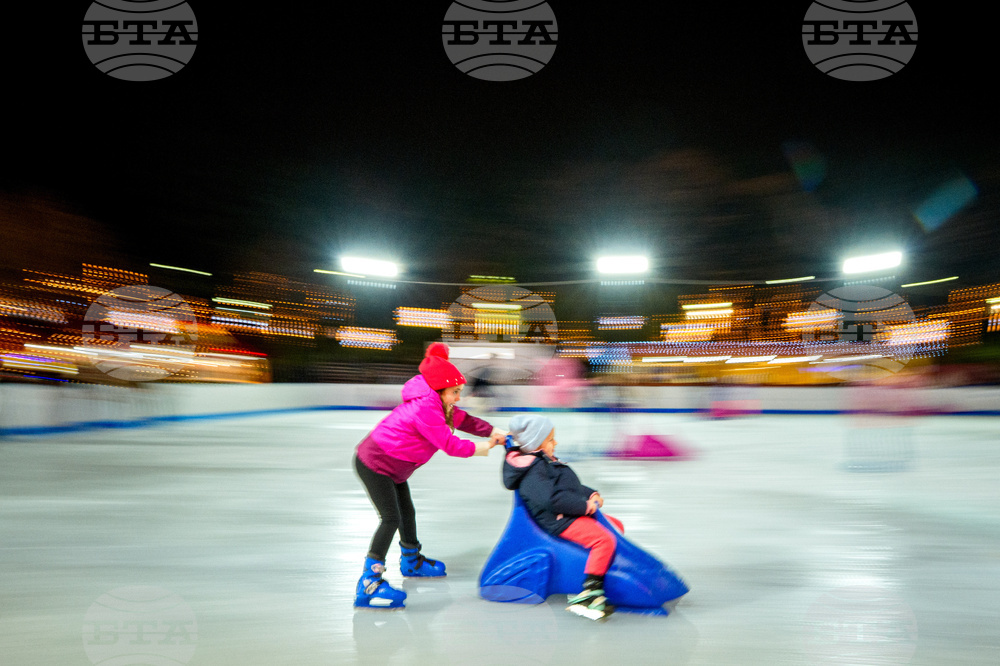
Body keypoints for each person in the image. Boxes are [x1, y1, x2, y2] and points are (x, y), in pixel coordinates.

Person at [353, 342, 507, 609]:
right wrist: (484, 448)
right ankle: (369, 582)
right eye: (456, 392)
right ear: (441, 389)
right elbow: (449, 444)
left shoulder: (439, 402)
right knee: (390, 519)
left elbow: (464, 420)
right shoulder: (427, 409)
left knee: (407, 513)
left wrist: (492, 430)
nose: (459, 397)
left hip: (395, 466)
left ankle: (411, 562)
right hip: (376, 463)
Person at [502, 414, 624, 621]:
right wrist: (584, 506)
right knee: (603, 540)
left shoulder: (543, 461)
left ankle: (602, 567)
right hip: (560, 519)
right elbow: (552, 501)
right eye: (550, 439)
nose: (555, 442)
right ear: (536, 444)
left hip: (567, 513)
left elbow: (569, 487)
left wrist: (590, 493)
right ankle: (590, 591)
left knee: (615, 525)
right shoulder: (534, 470)